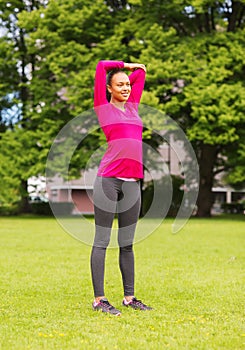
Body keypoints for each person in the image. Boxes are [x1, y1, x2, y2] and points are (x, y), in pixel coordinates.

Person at [90, 60, 152, 316]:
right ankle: (99, 299)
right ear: (108, 88)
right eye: (120, 84)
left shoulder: (133, 107)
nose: (126, 87)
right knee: (102, 241)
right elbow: (101, 65)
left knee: (127, 243)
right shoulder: (104, 108)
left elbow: (141, 74)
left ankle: (129, 297)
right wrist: (126, 64)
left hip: (132, 183)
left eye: (127, 85)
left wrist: (136, 70)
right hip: (108, 180)